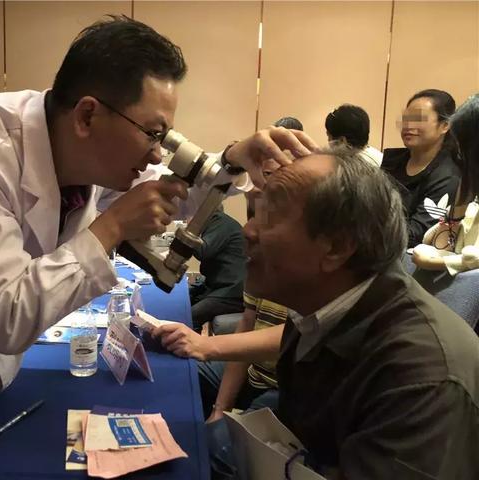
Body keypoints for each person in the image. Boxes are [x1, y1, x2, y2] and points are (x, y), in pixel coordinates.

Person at [0, 15, 317, 479]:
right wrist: (112, 227)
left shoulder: (77, 149)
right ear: (88, 114)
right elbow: (8, 317)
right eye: (153, 134)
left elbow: (173, 191)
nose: (158, 152)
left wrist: (233, 159)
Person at [155, 146, 479, 479]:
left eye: (270, 216)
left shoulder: (421, 382)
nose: (248, 231)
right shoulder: (317, 310)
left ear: (337, 247)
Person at [382, 89, 461, 247]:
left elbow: (414, 236)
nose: (408, 125)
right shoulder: (393, 161)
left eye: (419, 119)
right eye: (406, 119)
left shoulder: (448, 176)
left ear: (444, 126)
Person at [413, 94, 479, 274]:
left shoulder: (446, 175)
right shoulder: (470, 190)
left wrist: (443, 263)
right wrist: (460, 204)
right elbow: (441, 244)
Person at [189, 210, 246, 334]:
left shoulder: (220, 223)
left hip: (232, 292)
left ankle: (193, 345)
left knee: (191, 316)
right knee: (184, 299)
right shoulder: (215, 223)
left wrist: (188, 233)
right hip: (219, 286)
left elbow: (203, 251)